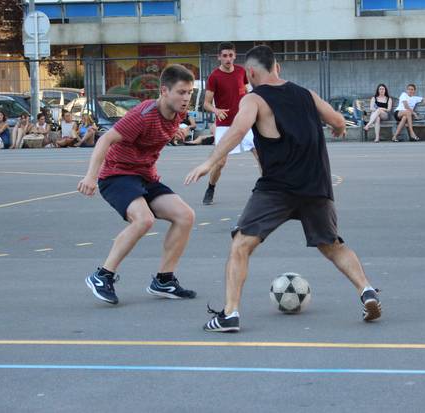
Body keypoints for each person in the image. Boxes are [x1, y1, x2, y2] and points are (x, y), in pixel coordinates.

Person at [185, 45, 382, 333]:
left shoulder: (254, 99)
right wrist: (338, 128)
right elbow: (338, 121)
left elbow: (238, 130)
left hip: (277, 187)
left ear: (250, 73)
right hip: (316, 184)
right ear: (277, 68)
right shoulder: (306, 93)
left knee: (241, 244)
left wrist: (210, 162)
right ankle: (367, 291)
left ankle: (230, 314)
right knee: (332, 245)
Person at [77, 64, 197, 306]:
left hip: (145, 176)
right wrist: (90, 176)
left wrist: (175, 132)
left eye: (190, 93)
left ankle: (164, 280)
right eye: (181, 92)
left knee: (186, 216)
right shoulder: (143, 115)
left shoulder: (178, 113)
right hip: (116, 175)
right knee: (144, 219)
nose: (186, 98)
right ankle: (102, 276)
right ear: (164, 91)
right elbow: (105, 140)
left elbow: (162, 130)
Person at [201, 41, 257, 205]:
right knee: (220, 163)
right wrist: (216, 111)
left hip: (244, 122)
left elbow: (249, 90)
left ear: (234, 56)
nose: (228, 59)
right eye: (224, 56)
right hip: (225, 125)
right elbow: (206, 103)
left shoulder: (241, 72)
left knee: (261, 155)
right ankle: (211, 187)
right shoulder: (214, 77)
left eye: (230, 55)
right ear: (219, 57)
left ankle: (268, 192)